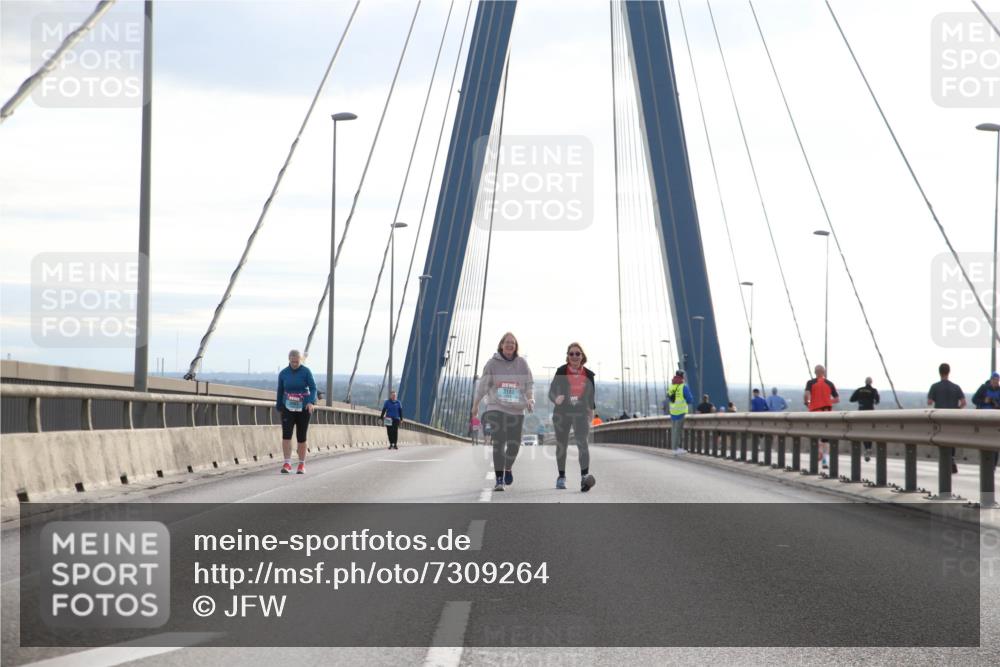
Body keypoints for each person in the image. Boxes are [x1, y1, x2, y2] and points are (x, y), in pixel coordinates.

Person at [471, 332, 534, 491]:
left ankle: (508, 467)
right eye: (507, 342)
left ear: (516, 346)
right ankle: (499, 479)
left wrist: (530, 399)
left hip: (517, 409)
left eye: (512, 343)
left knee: (514, 445)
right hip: (496, 407)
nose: (510, 345)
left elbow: (529, 384)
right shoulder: (492, 364)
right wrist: (476, 405)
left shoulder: (522, 364)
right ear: (501, 345)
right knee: (499, 442)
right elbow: (483, 387)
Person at [548, 342, 597, 492]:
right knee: (562, 444)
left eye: (577, 353)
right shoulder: (561, 371)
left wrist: (591, 413)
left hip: (580, 413)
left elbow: (591, 398)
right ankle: (561, 476)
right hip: (562, 412)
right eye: (571, 354)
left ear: (582, 356)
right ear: (567, 356)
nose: (574, 356)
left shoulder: (589, 374)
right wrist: (556, 399)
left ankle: (584, 477)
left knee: (582, 442)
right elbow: (551, 392)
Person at [275, 349, 317, 474]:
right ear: (289, 360)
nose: (294, 364)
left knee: (301, 436)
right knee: (286, 435)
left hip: (303, 407)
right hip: (288, 407)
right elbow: (280, 390)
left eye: (297, 362)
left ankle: (301, 464)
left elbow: (313, 388)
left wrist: (311, 402)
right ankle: (287, 463)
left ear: (300, 360)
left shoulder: (306, 371)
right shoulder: (283, 373)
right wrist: (279, 406)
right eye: (292, 361)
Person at [927, 362, 966, 474]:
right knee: (951, 438)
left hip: (939, 417)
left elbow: (929, 402)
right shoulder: (956, 387)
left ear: (939, 372)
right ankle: (952, 459)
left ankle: (945, 461)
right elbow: (963, 402)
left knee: (941, 438)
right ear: (949, 372)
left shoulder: (935, 387)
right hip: (952, 417)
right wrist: (956, 409)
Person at [804, 364, 839, 470]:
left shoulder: (811, 383)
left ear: (815, 372)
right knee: (825, 438)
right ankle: (825, 460)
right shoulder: (830, 383)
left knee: (815, 435)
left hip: (815, 412)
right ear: (824, 373)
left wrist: (808, 402)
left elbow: (806, 395)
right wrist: (828, 401)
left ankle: (818, 452)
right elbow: (837, 399)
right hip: (826, 413)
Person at [972, 372, 1000, 470]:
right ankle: (985, 462)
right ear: (991, 380)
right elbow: (974, 399)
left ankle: (993, 465)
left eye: (997, 381)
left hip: (995, 420)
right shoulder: (983, 388)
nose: (996, 382)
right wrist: (985, 401)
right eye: (994, 380)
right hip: (983, 419)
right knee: (984, 442)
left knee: (995, 442)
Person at [849, 377, 880, 461]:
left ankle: (866, 448)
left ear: (865, 382)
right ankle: (869, 448)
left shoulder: (859, 390)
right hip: (870, 413)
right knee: (869, 431)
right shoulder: (874, 390)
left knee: (862, 430)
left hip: (861, 413)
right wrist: (872, 401)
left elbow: (851, 399)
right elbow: (877, 401)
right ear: (871, 382)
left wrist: (860, 399)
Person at [667, 370, 694, 453]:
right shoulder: (683, 387)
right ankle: (675, 449)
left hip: (673, 412)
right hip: (680, 412)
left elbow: (668, 397)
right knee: (678, 431)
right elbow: (690, 399)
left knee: (674, 430)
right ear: (682, 376)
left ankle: (675, 448)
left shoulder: (671, 386)